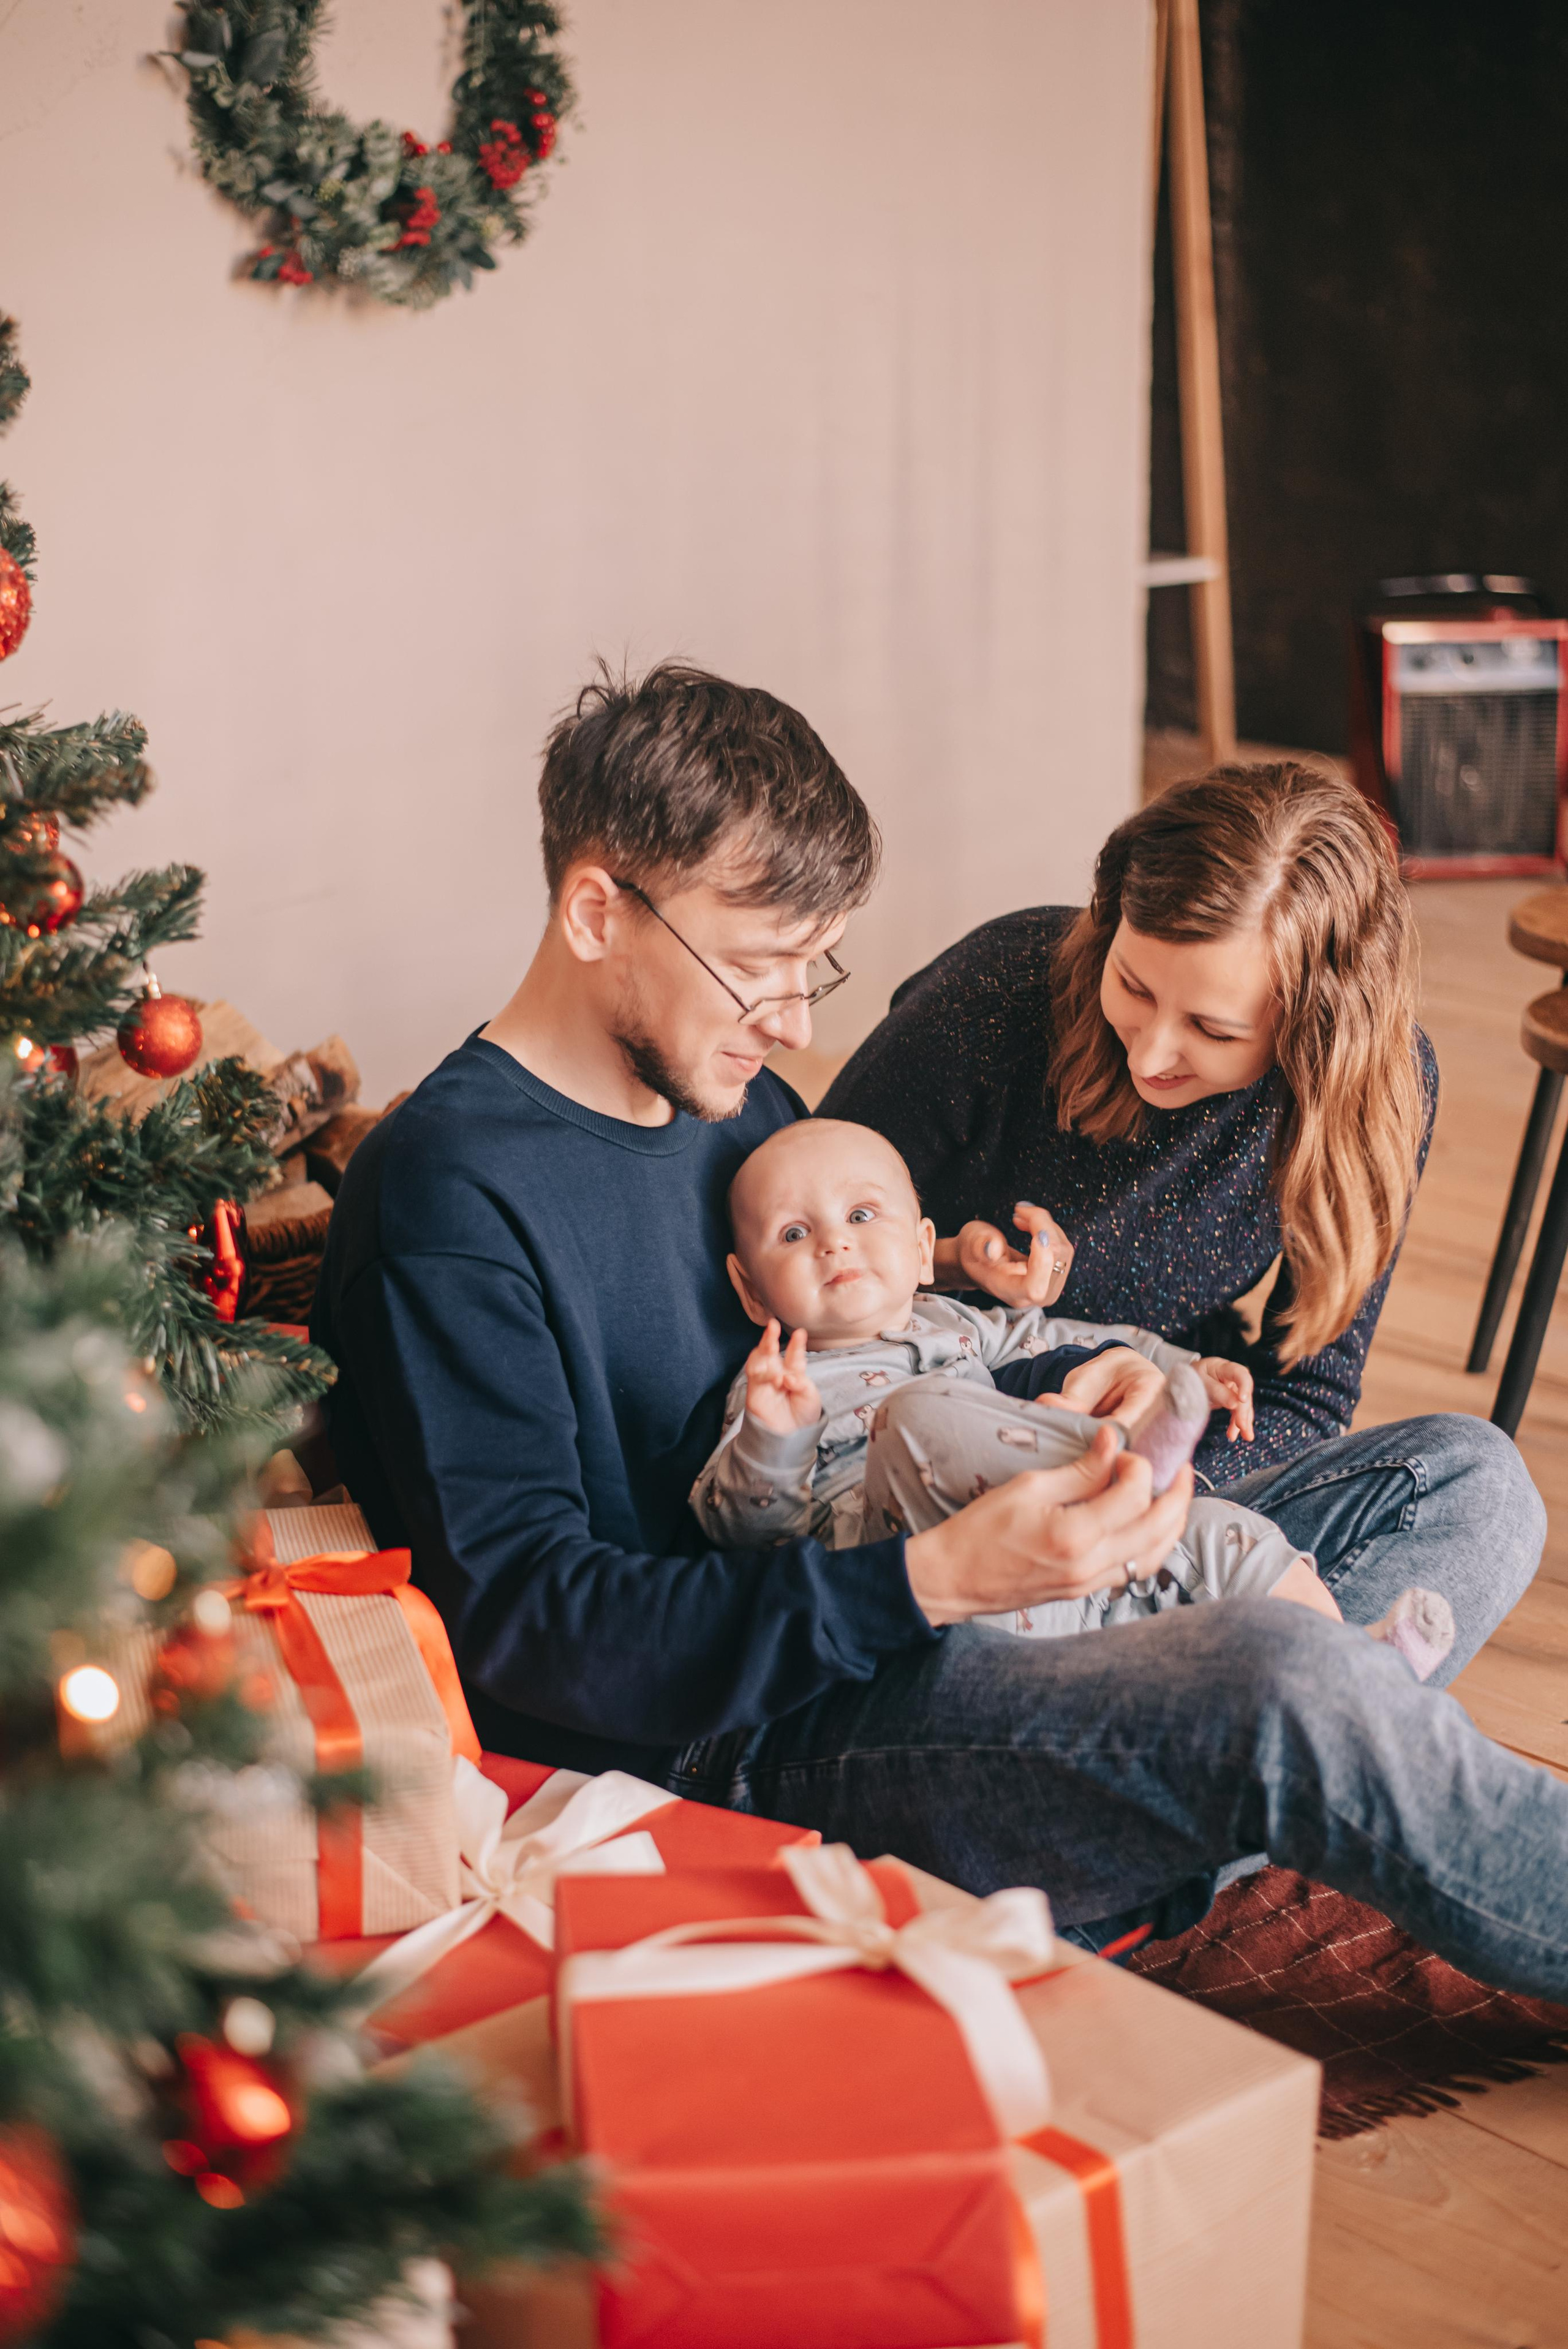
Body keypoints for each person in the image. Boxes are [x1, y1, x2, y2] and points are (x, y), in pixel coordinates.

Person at [315, 668, 1566, 1996]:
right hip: (760, 1727)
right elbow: (530, 1634)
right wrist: (938, 1582)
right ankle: (1187, 1796)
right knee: (1286, 1684)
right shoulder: (449, 1195)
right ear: (593, 912)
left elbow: (896, 1356)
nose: (795, 1022)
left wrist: (1080, 1378)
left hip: (933, 1580)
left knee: (1458, 1478)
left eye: (812, 967)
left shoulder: (739, 1113)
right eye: (754, 969)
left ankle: (1152, 1817)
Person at [691, 1114, 1340, 1631]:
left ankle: (1354, 1667)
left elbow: (1074, 1339)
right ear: (752, 1293)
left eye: (861, 1216)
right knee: (915, 1416)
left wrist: (1186, 1369)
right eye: (793, 1233)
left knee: (1220, 1531)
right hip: (923, 1581)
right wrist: (774, 1442)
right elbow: (740, 1532)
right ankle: (1124, 1459)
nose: (833, 1242)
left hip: (1069, 1574)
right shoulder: (775, 1385)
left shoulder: (955, 1321)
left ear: (922, 1250)